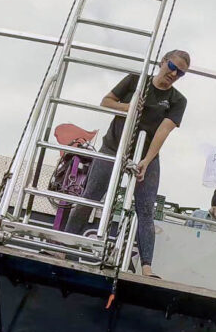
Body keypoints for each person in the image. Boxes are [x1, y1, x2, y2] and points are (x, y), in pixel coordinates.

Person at [64, 49, 190, 278]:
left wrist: (146, 161)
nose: (174, 74)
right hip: (114, 147)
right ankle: (64, 248)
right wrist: (129, 107)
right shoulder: (135, 81)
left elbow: (164, 131)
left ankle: (147, 268)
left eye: (180, 73)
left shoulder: (178, 100)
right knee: (90, 197)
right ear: (163, 61)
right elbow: (106, 101)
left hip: (146, 154)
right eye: (172, 67)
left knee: (145, 210)